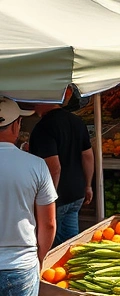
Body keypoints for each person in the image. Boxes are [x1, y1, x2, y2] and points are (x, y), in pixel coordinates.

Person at [0, 97, 57, 296]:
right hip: (21, 265)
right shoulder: (37, 165)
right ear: (17, 125)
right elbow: (48, 223)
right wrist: (39, 258)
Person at [29, 97, 94, 245]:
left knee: (51, 245)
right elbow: (88, 155)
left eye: (35, 101)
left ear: (43, 101)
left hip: (59, 195)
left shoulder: (43, 127)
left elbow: (55, 167)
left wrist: (47, 199)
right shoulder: (77, 121)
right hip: (77, 192)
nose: (33, 106)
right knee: (71, 242)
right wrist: (88, 185)